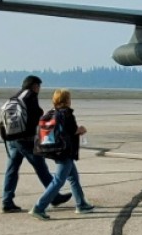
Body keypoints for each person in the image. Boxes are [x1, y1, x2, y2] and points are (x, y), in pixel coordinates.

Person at [0, 75, 70, 213]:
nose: (39, 89)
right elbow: (35, 115)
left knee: (12, 170)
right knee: (41, 167)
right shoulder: (30, 96)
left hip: (12, 138)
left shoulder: (15, 96)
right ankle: (54, 196)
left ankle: (7, 201)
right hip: (25, 140)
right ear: (34, 86)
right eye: (38, 86)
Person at [29, 89, 95, 220]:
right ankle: (39, 207)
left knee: (73, 178)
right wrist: (81, 130)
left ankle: (81, 204)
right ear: (66, 100)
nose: (71, 101)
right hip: (65, 152)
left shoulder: (52, 113)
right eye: (69, 98)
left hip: (57, 150)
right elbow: (71, 131)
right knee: (58, 181)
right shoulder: (67, 114)